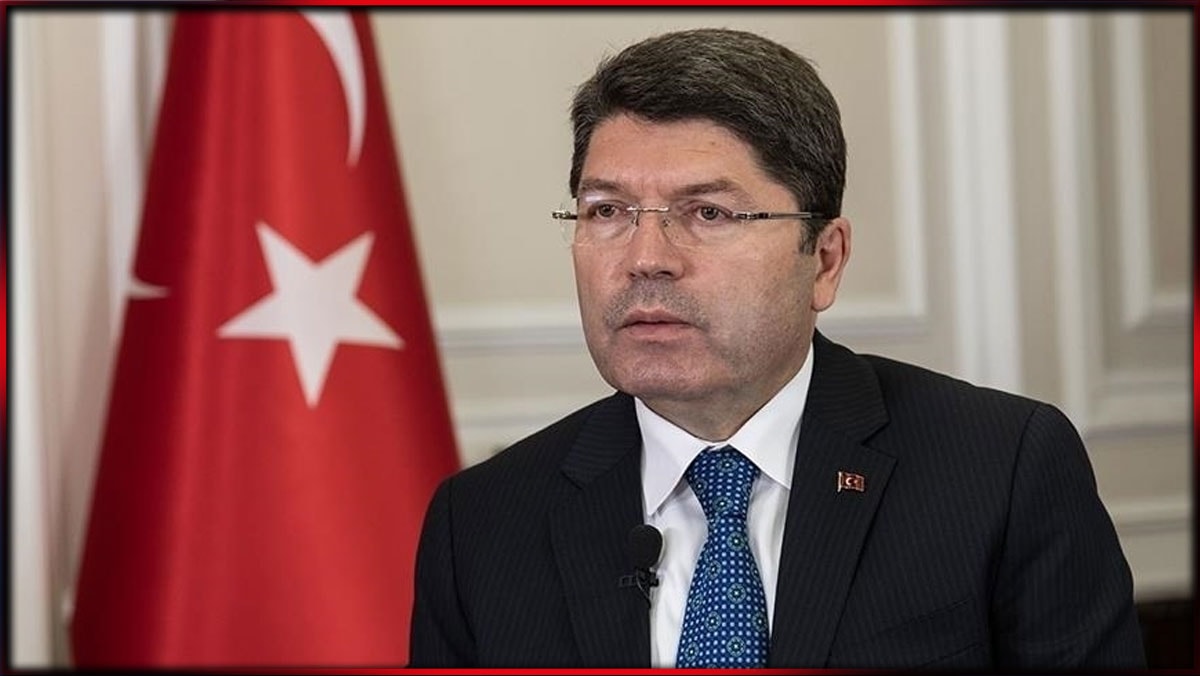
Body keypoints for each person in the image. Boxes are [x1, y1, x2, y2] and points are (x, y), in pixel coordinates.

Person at [408, 27, 1145, 669]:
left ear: (824, 259)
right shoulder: (480, 524)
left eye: (708, 212)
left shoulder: (1000, 470)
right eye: (608, 211)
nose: (645, 258)